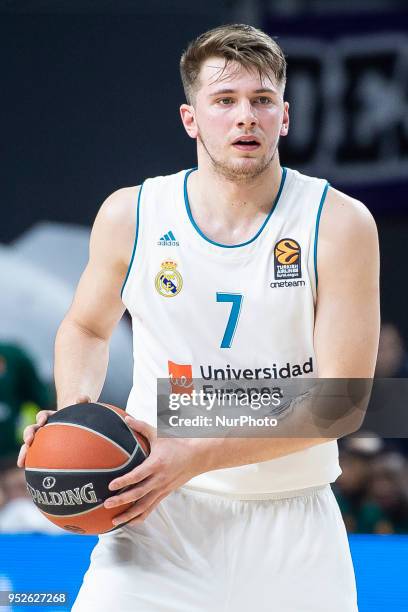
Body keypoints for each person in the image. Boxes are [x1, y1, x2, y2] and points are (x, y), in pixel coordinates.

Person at [17, 24, 380, 612]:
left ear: (284, 117)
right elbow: (85, 327)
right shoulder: (131, 214)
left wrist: (196, 452)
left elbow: (344, 401)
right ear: (191, 119)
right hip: (158, 520)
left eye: (262, 101)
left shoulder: (338, 222)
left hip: (294, 529)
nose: (246, 118)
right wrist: (73, 414)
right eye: (225, 100)